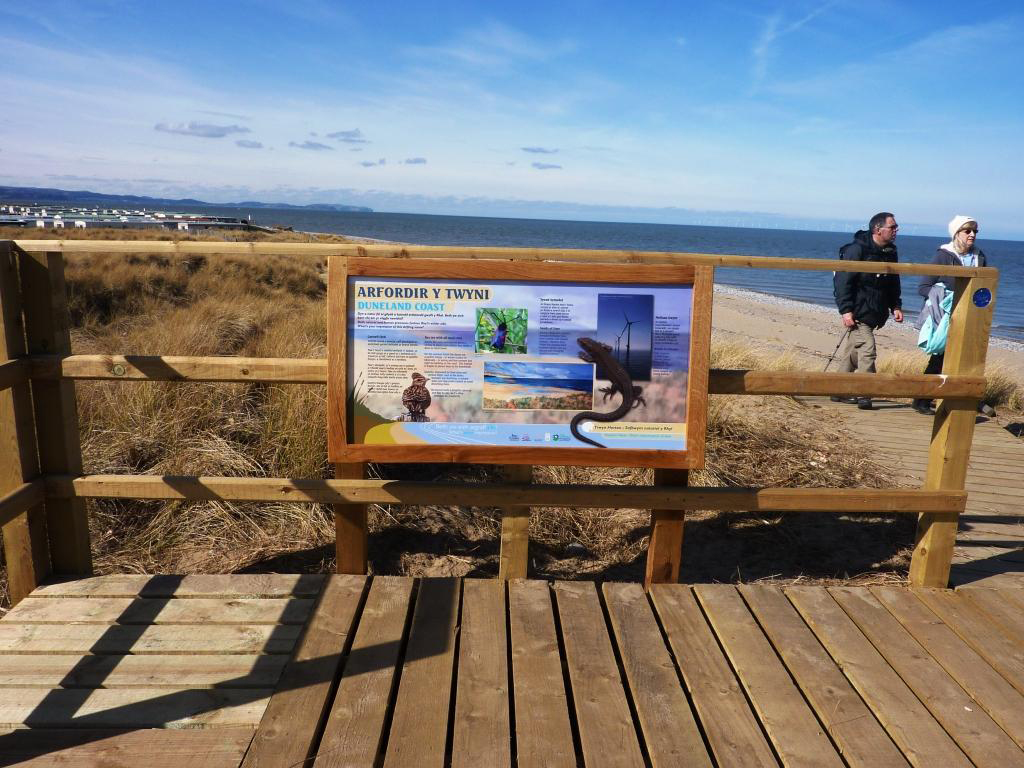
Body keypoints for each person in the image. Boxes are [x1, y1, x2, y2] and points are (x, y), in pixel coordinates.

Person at [911, 215, 987, 415]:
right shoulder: (944, 255)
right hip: (946, 317)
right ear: (956, 233)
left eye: (975, 231)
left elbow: (985, 286)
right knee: (939, 358)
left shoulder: (980, 257)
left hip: (971, 316)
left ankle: (964, 401)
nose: (972, 235)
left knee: (967, 360)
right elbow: (923, 287)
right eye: (967, 230)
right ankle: (922, 400)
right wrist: (943, 298)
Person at [831, 212, 904, 410]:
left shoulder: (890, 252)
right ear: (877, 229)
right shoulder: (857, 250)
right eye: (893, 227)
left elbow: (893, 281)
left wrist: (895, 305)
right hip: (858, 311)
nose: (896, 230)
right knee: (868, 351)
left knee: (854, 353)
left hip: (875, 311)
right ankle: (864, 394)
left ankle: (837, 390)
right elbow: (842, 282)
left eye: (896, 227)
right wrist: (845, 310)